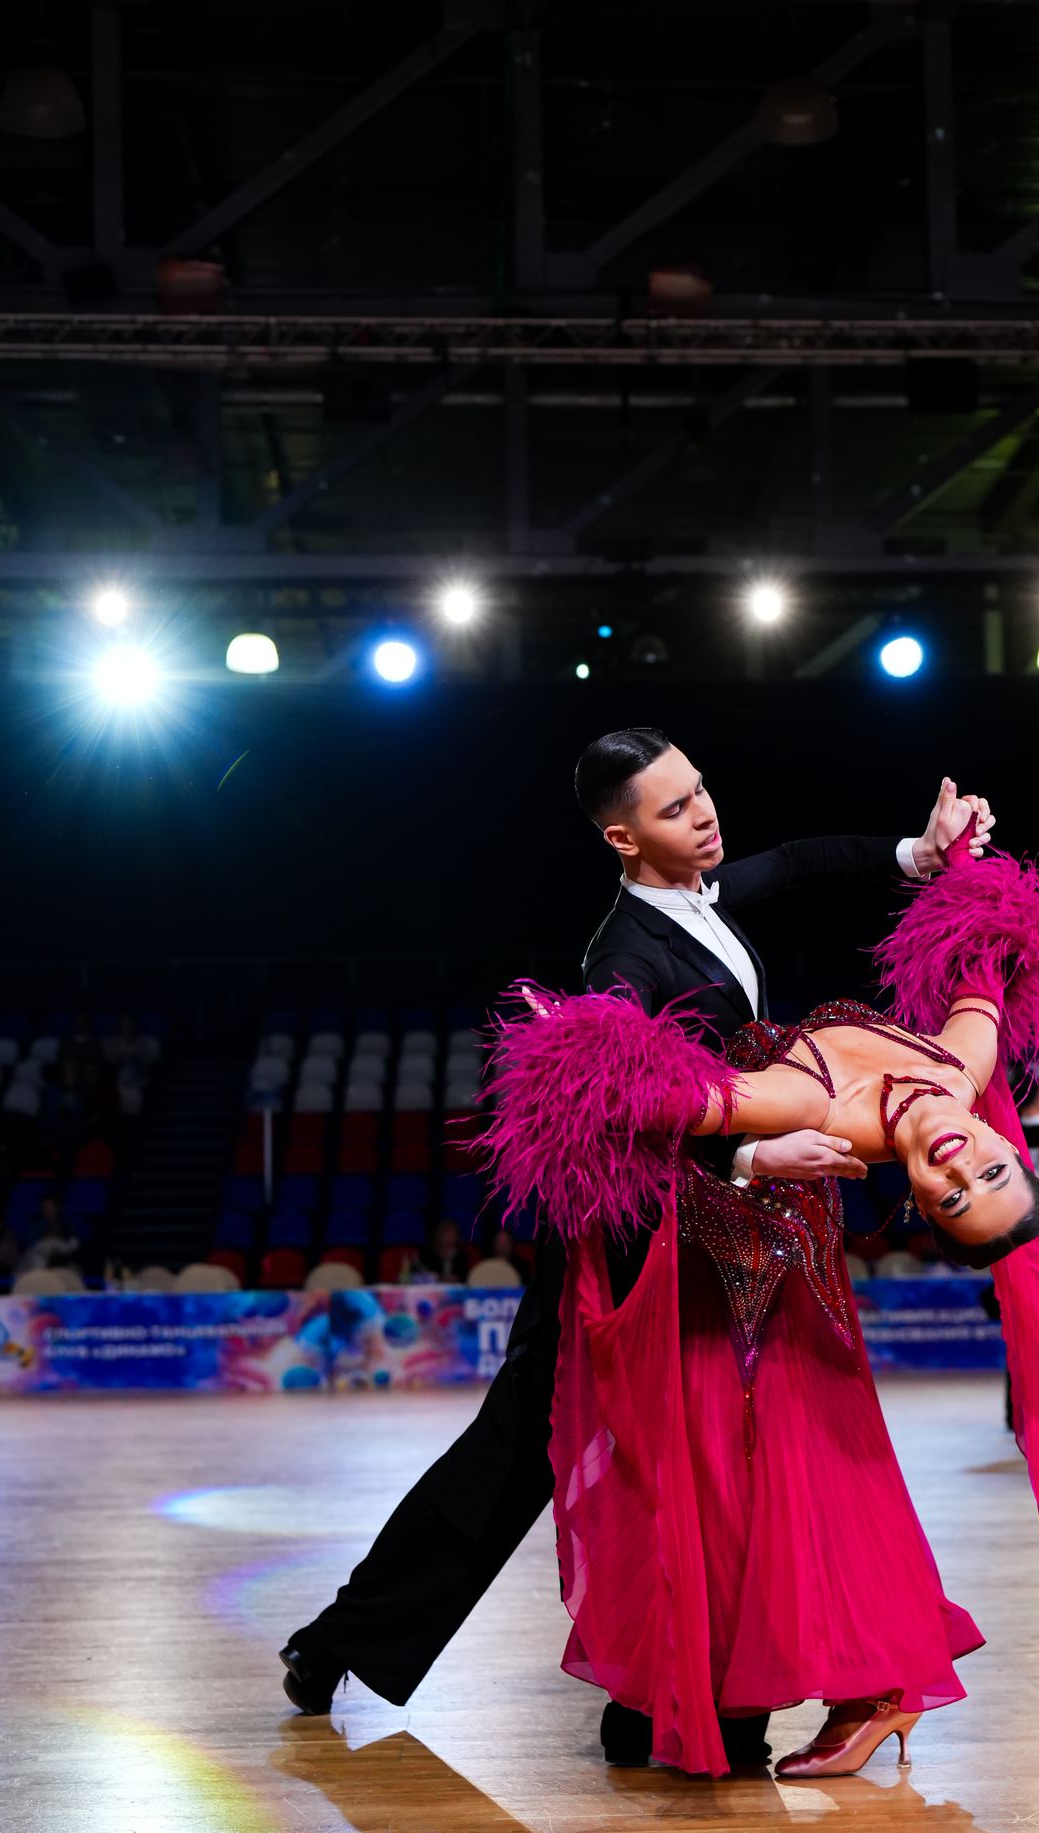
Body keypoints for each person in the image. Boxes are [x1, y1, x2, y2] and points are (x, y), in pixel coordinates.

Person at [278, 732, 994, 1762]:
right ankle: (352, 1646)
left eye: (701, 790)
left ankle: (674, 1702)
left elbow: (799, 862)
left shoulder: (705, 893)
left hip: (706, 1235)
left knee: (693, 1462)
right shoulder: (625, 957)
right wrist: (749, 1157)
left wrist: (915, 854)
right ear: (623, 839)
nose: (704, 815)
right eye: (674, 809)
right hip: (624, 1250)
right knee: (524, 1456)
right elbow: (616, 1107)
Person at [487, 815, 1039, 1776]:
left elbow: (655, 1102)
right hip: (758, 1269)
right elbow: (988, 951)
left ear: (923, 1204)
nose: (960, 1169)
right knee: (791, 1483)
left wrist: (573, 1040)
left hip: (752, 1280)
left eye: (954, 1199)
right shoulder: (963, 1066)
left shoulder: (816, 1107)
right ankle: (859, 1689)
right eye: (988, 1174)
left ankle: (842, 1686)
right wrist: (956, 850)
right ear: (999, 1139)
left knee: (773, 1486)